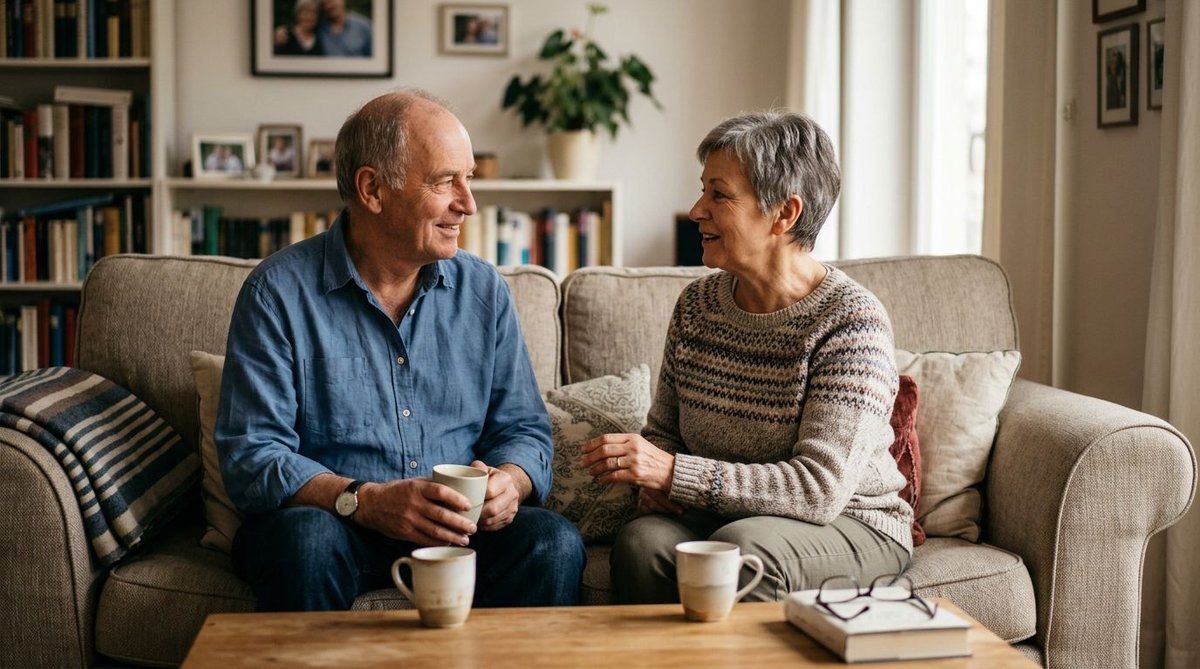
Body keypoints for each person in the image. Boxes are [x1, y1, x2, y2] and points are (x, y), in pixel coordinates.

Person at [217, 89, 586, 612]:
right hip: (334, 523)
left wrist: (512, 482)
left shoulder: (484, 291)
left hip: (460, 531)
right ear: (372, 189)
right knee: (304, 543)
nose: (469, 204)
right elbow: (252, 456)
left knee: (552, 542)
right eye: (444, 182)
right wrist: (363, 500)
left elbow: (523, 429)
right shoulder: (276, 293)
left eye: (469, 179)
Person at [581, 111, 913, 604]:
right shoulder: (696, 307)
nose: (697, 209)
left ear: (784, 214)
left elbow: (818, 489)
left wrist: (673, 474)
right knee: (642, 542)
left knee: (742, 550)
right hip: (724, 517)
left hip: (850, 522)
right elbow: (666, 435)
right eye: (702, 191)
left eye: (719, 194)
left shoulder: (850, 322)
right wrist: (652, 486)